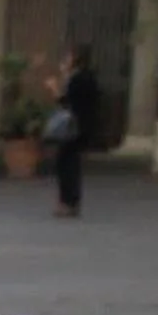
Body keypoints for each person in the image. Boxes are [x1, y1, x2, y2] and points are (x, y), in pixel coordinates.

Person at [45, 45, 99, 218]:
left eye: (68, 57)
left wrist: (54, 88)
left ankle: (67, 202)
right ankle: (70, 201)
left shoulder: (79, 79)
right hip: (81, 126)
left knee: (66, 164)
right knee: (69, 162)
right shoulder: (84, 77)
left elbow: (66, 102)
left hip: (74, 127)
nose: (65, 60)